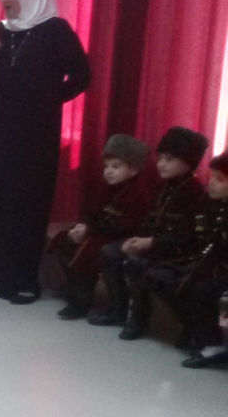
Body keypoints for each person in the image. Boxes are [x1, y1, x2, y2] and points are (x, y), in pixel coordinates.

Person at [0, 0, 92, 303]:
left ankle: (21, 278)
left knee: (24, 202)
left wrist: (48, 101)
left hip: (34, 135)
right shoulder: (1, 31)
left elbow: (82, 76)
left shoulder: (56, 30)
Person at [89, 126, 208, 340]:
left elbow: (188, 238)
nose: (161, 164)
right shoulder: (164, 187)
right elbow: (150, 221)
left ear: (188, 162)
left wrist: (151, 243)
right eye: (160, 158)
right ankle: (118, 310)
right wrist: (137, 239)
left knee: (136, 263)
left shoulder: (195, 193)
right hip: (156, 244)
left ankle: (139, 319)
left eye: (169, 159)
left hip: (178, 253)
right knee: (109, 252)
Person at [47, 135, 153, 320]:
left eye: (116, 166)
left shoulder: (138, 193)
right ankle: (74, 291)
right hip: (101, 231)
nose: (109, 171)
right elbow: (93, 213)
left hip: (121, 236)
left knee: (88, 251)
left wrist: (89, 230)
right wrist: (83, 226)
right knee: (65, 239)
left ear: (133, 169)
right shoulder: (108, 188)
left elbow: (126, 226)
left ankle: (81, 302)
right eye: (106, 166)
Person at [167, 153, 228, 368]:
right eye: (211, 176)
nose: (211, 182)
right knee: (175, 279)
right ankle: (201, 335)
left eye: (220, 179)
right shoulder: (210, 204)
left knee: (204, 289)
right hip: (212, 263)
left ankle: (212, 344)